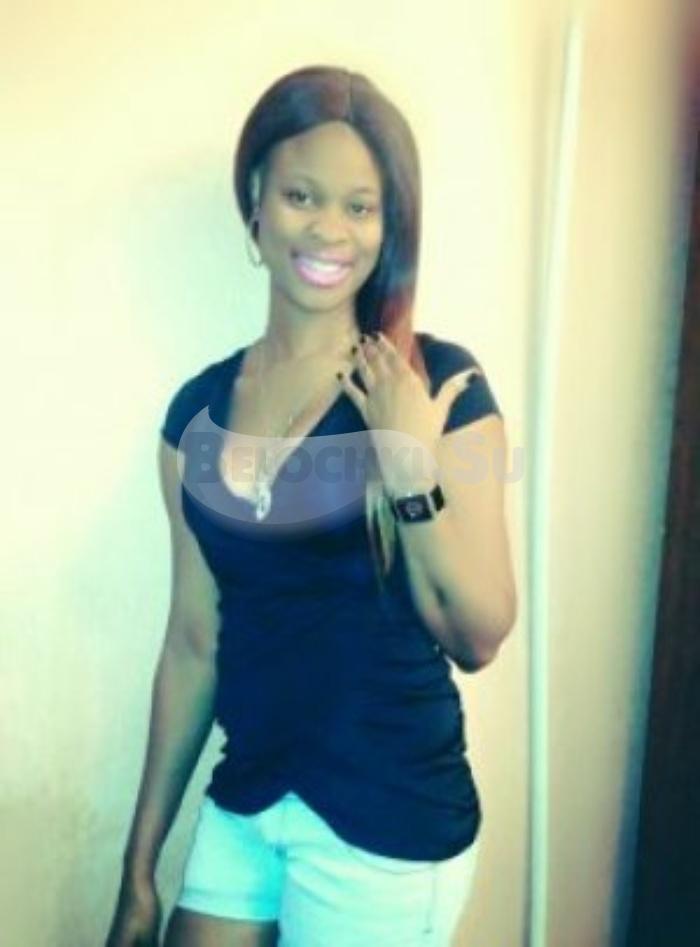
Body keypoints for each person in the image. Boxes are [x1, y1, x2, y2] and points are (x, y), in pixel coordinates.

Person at [104, 65, 517, 947]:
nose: (330, 228)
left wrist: (408, 462)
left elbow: (479, 634)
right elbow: (193, 643)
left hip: (387, 821)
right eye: (301, 195)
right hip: (249, 795)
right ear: (256, 199)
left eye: (360, 206)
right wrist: (138, 865)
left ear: (389, 224)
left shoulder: (440, 384)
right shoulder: (195, 416)